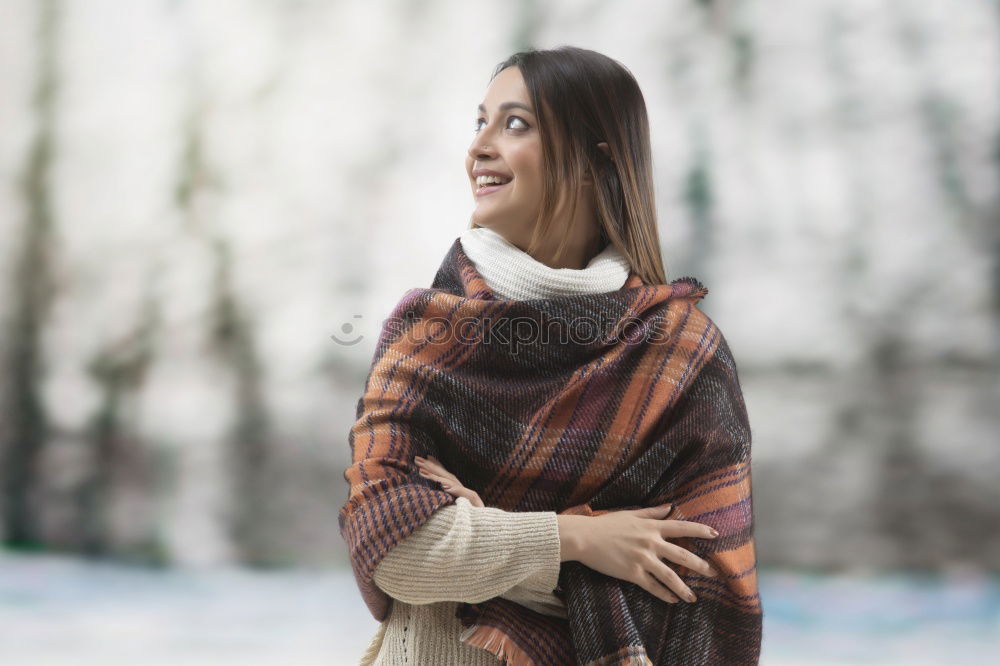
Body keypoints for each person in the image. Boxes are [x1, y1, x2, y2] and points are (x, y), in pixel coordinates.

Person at [346, 45, 761, 665]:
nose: (479, 147)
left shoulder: (681, 357)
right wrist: (581, 538)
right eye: (479, 122)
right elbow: (394, 552)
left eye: (515, 124)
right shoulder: (426, 335)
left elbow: (698, 603)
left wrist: (484, 535)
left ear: (595, 162)